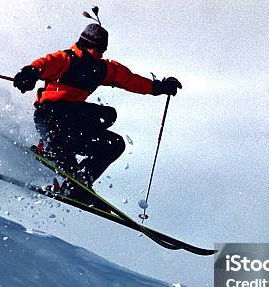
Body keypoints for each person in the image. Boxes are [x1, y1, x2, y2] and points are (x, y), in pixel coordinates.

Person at [13, 21, 181, 199]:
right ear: (87, 45)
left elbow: (130, 80)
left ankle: (78, 185)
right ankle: (50, 149)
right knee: (102, 115)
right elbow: (44, 64)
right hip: (51, 117)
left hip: (72, 127)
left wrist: (159, 87)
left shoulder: (102, 68)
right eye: (99, 50)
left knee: (114, 143)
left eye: (104, 51)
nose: (102, 54)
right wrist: (29, 73)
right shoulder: (67, 59)